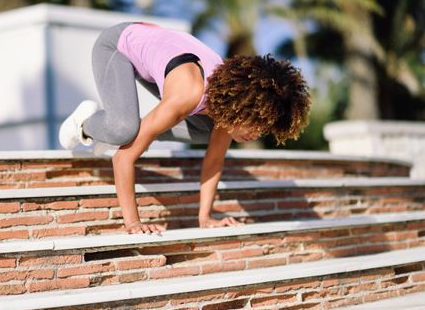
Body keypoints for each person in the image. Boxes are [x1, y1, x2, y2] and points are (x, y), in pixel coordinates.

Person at [59, 22, 312, 234]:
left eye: (264, 128)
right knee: (125, 130)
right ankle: (86, 123)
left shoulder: (227, 109)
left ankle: (123, 131)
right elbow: (123, 159)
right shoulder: (187, 93)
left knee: (207, 132)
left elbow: (213, 162)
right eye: (256, 124)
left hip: (158, 56)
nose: (257, 133)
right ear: (242, 109)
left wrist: (206, 218)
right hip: (117, 46)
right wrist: (133, 223)